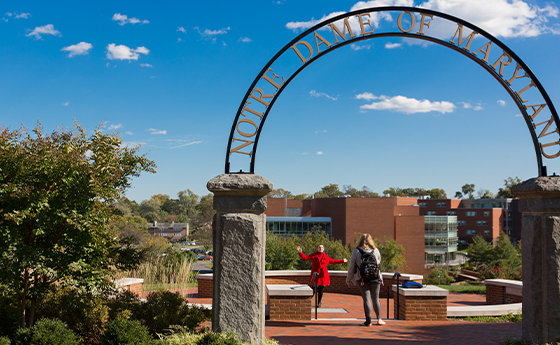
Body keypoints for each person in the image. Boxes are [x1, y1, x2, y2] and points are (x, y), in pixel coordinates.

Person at [346, 233, 385, 326]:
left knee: (366, 299)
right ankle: (379, 319)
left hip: (361, 278)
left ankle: (368, 321)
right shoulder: (375, 250)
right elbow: (378, 261)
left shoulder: (356, 251)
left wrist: (348, 279)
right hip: (375, 277)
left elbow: (351, 267)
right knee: (376, 298)